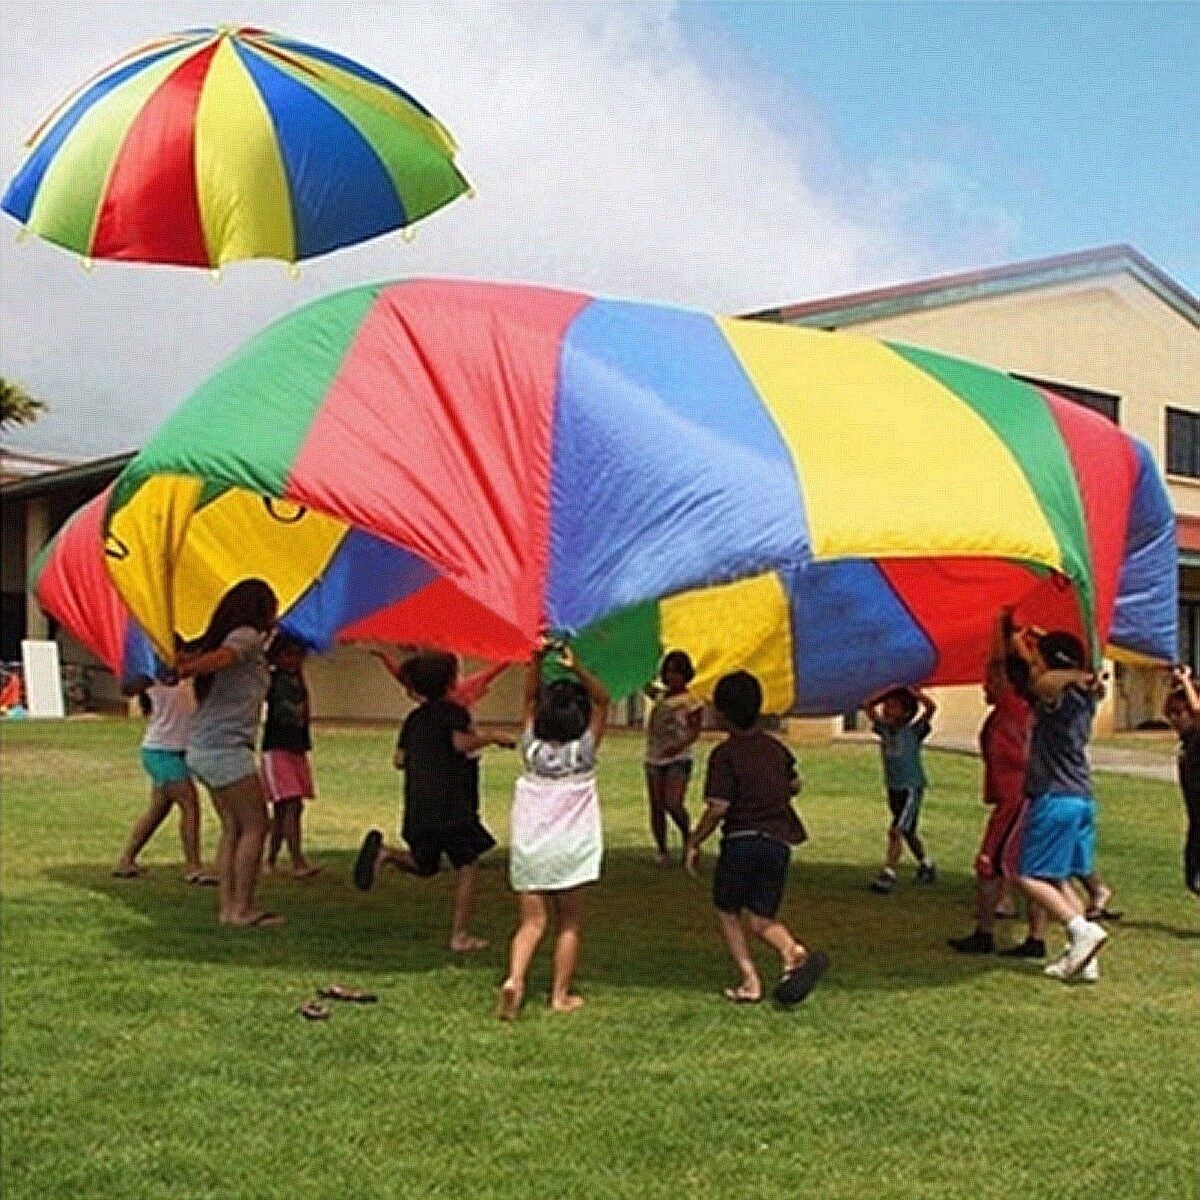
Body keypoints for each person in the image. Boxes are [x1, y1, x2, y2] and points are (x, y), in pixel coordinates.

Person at [684, 671, 828, 1006]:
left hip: (742, 841)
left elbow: (718, 807)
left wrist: (694, 840)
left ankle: (750, 981)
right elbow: (794, 784)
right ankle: (791, 950)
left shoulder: (725, 754)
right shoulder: (775, 748)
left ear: (721, 713)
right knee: (762, 917)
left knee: (727, 910)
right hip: (778, 843)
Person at [353, 651, 511, 953]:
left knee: (426, 864)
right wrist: (492, 737)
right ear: (451, 682)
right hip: (453, 806)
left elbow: (399, 760)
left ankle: (385, 853)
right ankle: (460, 935)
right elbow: (460, 743)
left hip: (419, 807)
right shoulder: (455, 713)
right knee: (468, 864)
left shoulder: (413, 719)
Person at [497, 643, 609, 1020]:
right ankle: (559, 995)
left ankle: (515, 979)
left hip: (531, 848)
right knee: (569, 923)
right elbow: (603, 700)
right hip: (571, 850)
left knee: (531, 922)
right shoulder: (583, 753)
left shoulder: (530, 749)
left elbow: (529, 697)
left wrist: (535, 659)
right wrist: (576, 667)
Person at [175, 579, 282, 928]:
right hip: (225, 748)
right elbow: (225, 658)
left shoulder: (235, 638)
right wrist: (186, 668)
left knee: (234, 828)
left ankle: (228, 908)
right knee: (256, 826)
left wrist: (186, 664)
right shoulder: (245, 637)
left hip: (204, 747)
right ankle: (242, 909)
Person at [1011, 626, 1109, 982]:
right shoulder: (1083, 694)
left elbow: (1042, 684)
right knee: (1060, 878)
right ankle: (1084, 959)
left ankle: (1081, 930)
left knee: (1029, 875)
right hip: (1079, 797)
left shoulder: (1060, 695)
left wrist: (1074, 671)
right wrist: (1028, 642)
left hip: (1056, 797)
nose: (1035, 668)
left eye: (1040, 661)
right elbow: (1043, 675)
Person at [950, 612, 1035, 955]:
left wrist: (1000, 628)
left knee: (988, 865)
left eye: (989, 680)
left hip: (1015, 802)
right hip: (1015, 800)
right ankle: (1033, 938)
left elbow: (1001, 665)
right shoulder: (1016, 708)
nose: (985, 686)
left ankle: (985, 933)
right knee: (1028, 867)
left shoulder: (1014, 706)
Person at [113, 677, 216, 884]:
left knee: (158, 810)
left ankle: (126, 860)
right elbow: (128, 688)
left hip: (179, 751)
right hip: (161, 752)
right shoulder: (154, 680)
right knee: (190, 805)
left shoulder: (188, 677)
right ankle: (193, 867)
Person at [865, 686, 938, 894]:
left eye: (894, 706)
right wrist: (889, 691)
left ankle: (888, 873)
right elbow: (867, 706)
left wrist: (912, 693)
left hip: (910, 788)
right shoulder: (884, 729)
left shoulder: (914, 731)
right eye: (887, 706)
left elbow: (931, 708)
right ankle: (926, 865)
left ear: (906, 712)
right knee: (908, 832)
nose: (887, 709)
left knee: (896, 831)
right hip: (893, 788)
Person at [261, 633, 320, 878]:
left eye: (297, 655)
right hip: (277, 749)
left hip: (296, 748)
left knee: (285, 808)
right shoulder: (273, 680)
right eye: (288, 655)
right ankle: (296, 861)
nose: (293, 660)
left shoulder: (297, 680)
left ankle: (271, 859)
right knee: (291, 804)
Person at [643, 650, 704, 865]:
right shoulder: (660, 697)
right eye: (668, 672)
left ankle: (689, 836)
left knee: (673, 802)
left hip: (679, 758)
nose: (671, 677)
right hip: (654, 756)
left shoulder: (692, 701)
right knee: (656, 805)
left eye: (676, 672)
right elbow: (644, 685)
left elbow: (695, 731)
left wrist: (678, 745)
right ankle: (662, 849)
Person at [1165, 666, 1200, 896]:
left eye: (1180, 713)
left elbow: (1197, 710)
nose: (1174, 719)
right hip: (1196, 822)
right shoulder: (1187, 741)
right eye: (1173, 714)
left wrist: (1186, 681)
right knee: (1192, 879)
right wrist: (1174, 684)